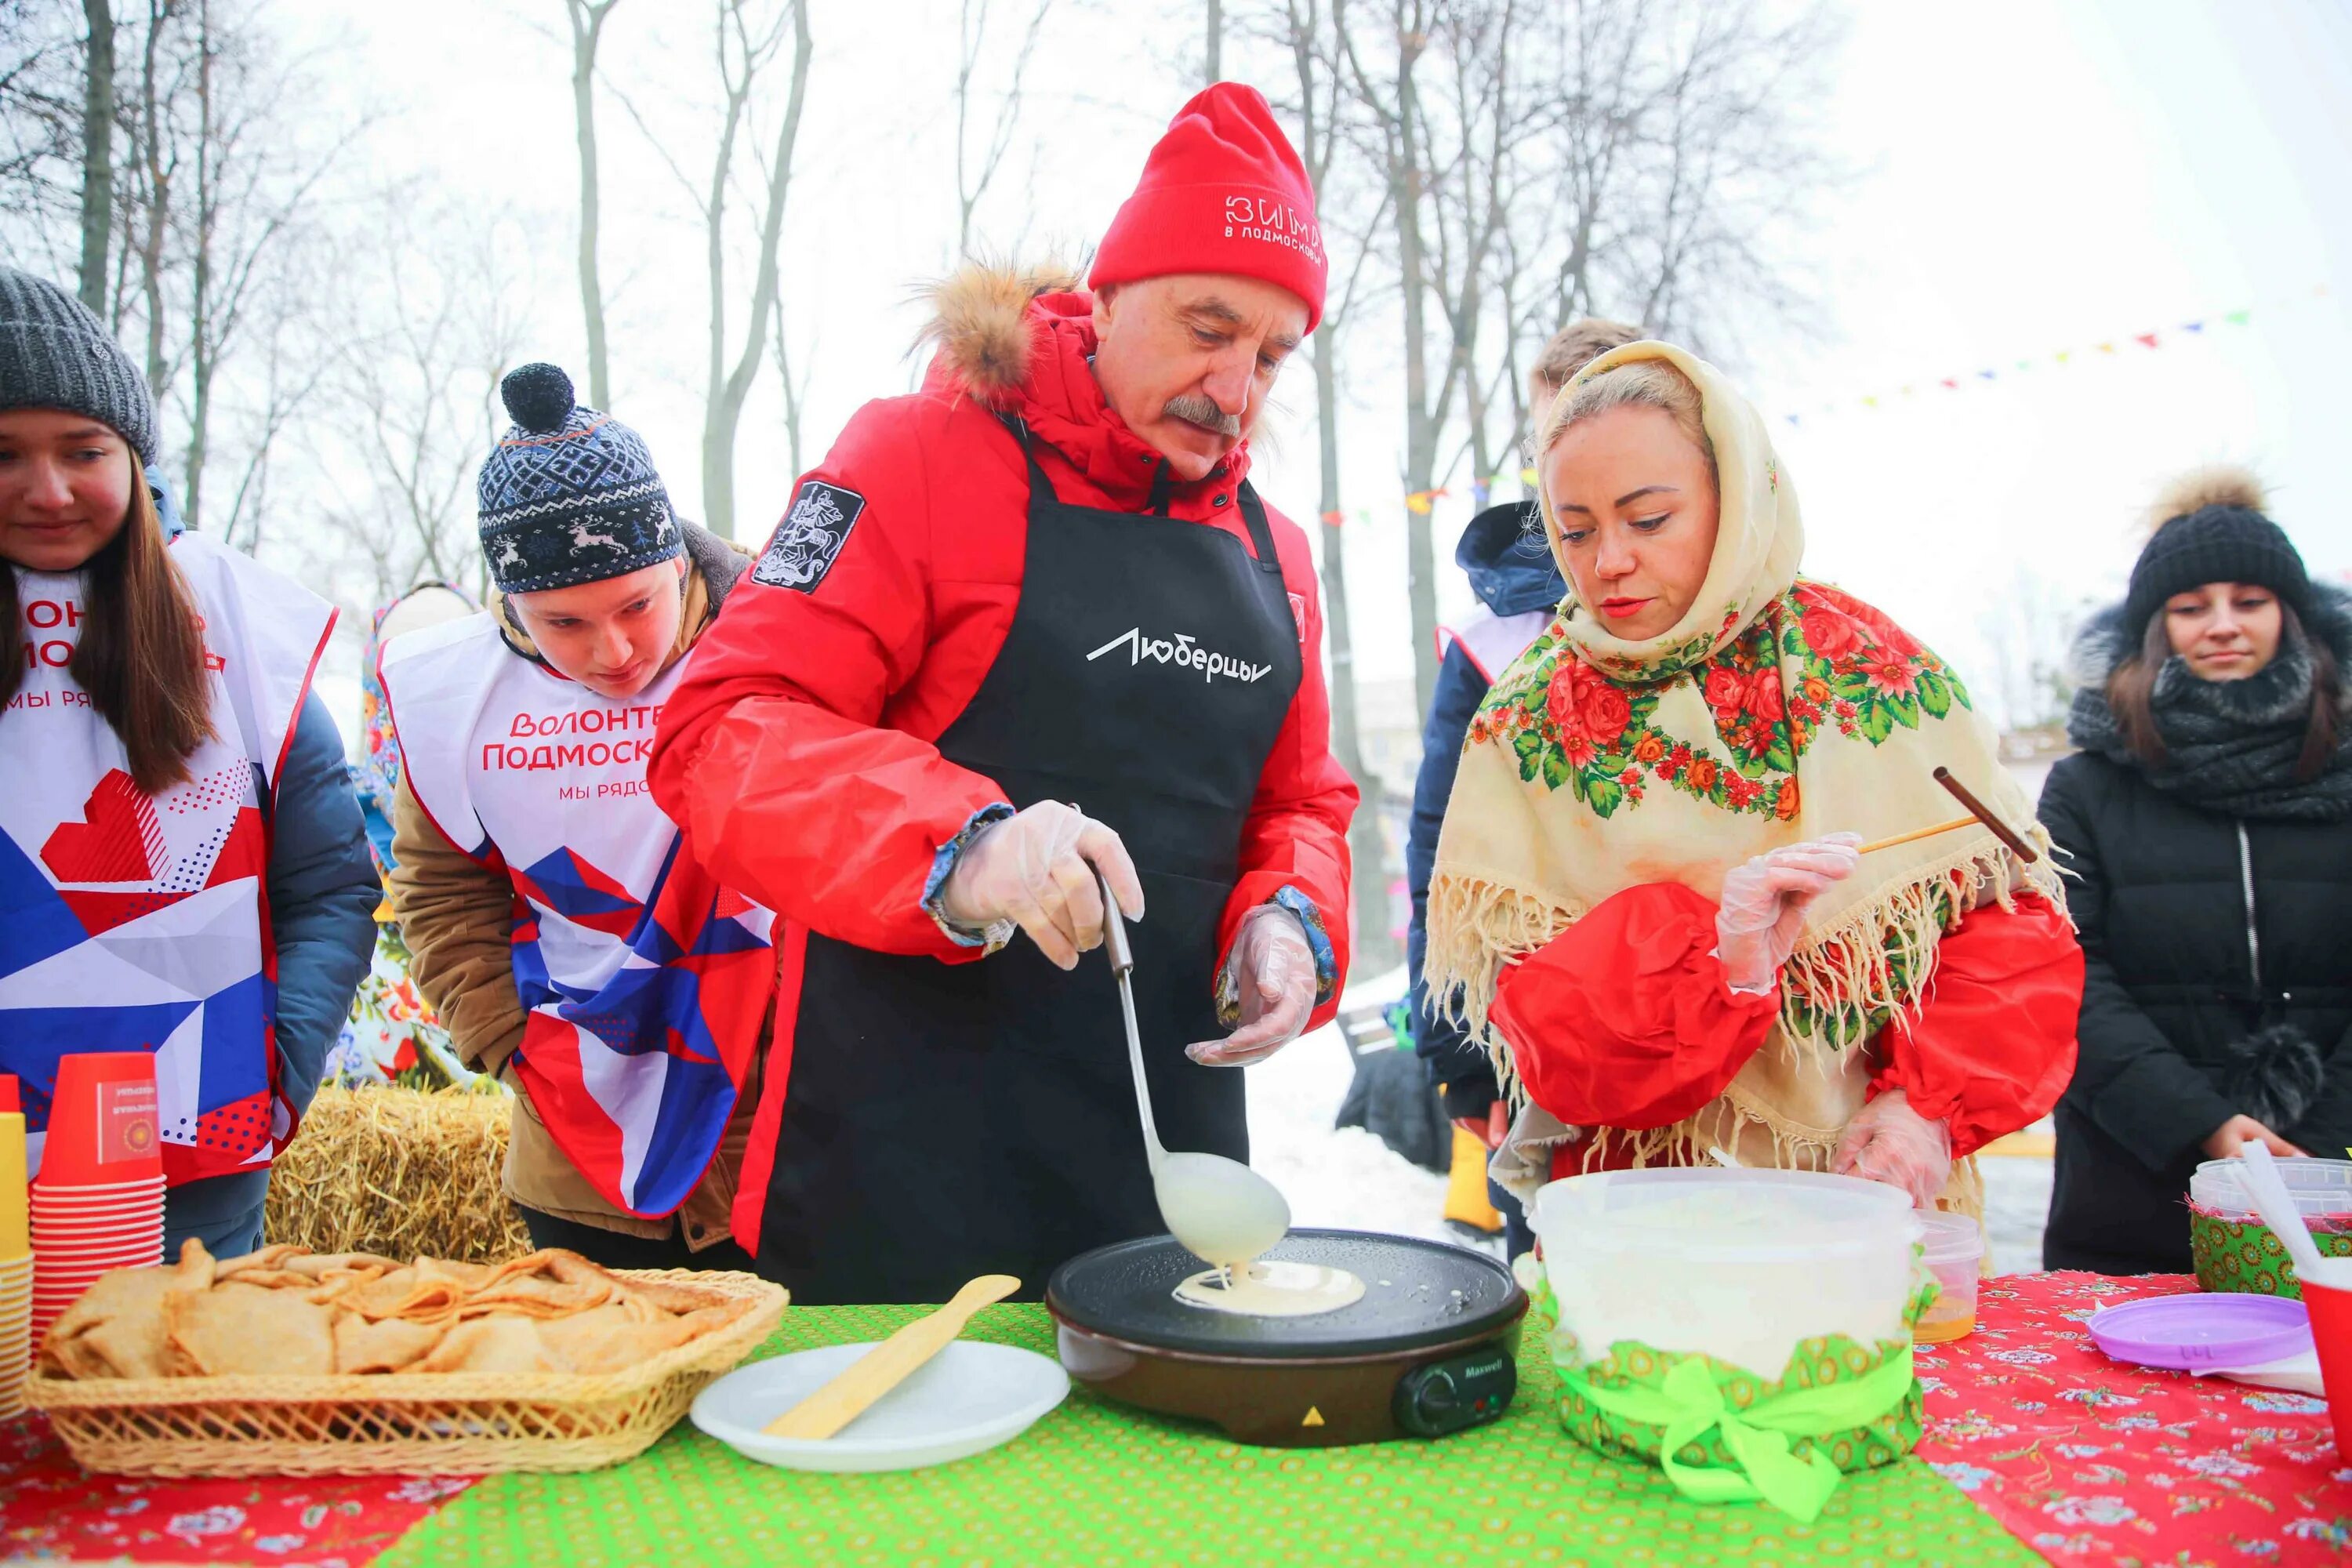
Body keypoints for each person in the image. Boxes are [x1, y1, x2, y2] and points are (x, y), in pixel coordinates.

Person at [650, 84, 1359, 1304]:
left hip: (1168, 1173)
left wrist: (1290, 918)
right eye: (1206, 325)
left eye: (1271, 357)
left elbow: (1300, 806)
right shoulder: (915, 458)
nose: (1234, 387)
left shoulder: (1277, 554)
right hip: (900, 1152)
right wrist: (962, 850)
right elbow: (718, 732)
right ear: (1111, 289)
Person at [1423, 340, 2082, 1218]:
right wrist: (1714, 963)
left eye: (1648, 519)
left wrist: (1927, 1105)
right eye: (1574, 530)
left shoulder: (1872, 671)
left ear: (1734, 497)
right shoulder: (1528, 720)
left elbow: (2011, 933)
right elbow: (1546, 1038)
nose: (1608, 560)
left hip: (1877, 1191)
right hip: (1642, 1211)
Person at [0, 265, 376, 1258]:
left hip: (191, 1153)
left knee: (174, 1409)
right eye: (4, 453)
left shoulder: (238, 621)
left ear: (129, 453)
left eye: (83, 450)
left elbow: (333, 881)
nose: (49, 489)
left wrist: (278, 1063)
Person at [380, 363, 773, 1270]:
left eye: (639, 603)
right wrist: (510, 1043)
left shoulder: (776, 639)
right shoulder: (458, 699)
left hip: (778, 1136)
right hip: (574, 1143)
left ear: (677, 557)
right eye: (563, 622)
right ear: (512, 603)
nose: (615, 649)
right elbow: (439, 890)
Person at [2040, 468, 2352, 1274]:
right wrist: (2203, 1123)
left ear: (2294, 616)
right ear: (2154, 628)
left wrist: (2313, 1145)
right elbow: (2064, 970)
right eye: (2190, 606)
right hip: (2132, 1184)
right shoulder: (2087, 786)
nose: (2221, 625)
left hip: (2337, 1188)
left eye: (2249, 600)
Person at [1409, 316, 1642, 1256]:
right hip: (1537, 1047)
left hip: (1723, 1045)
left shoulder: (1748, 620)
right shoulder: (1494, 643)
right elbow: (1443, 849)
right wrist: (1463, 1054)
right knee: (1559, 1298)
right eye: (1550, 443)